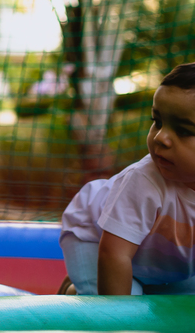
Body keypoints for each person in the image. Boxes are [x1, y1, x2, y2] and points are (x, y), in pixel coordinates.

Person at [59, 62, 195, 295]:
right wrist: (120, 324)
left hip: (156, 263)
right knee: (128, 305)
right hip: (96, 239)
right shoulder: (145, 181)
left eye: (183, 130)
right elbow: (114, 253)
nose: (161, 138)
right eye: (158, 122)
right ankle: (76, 292)